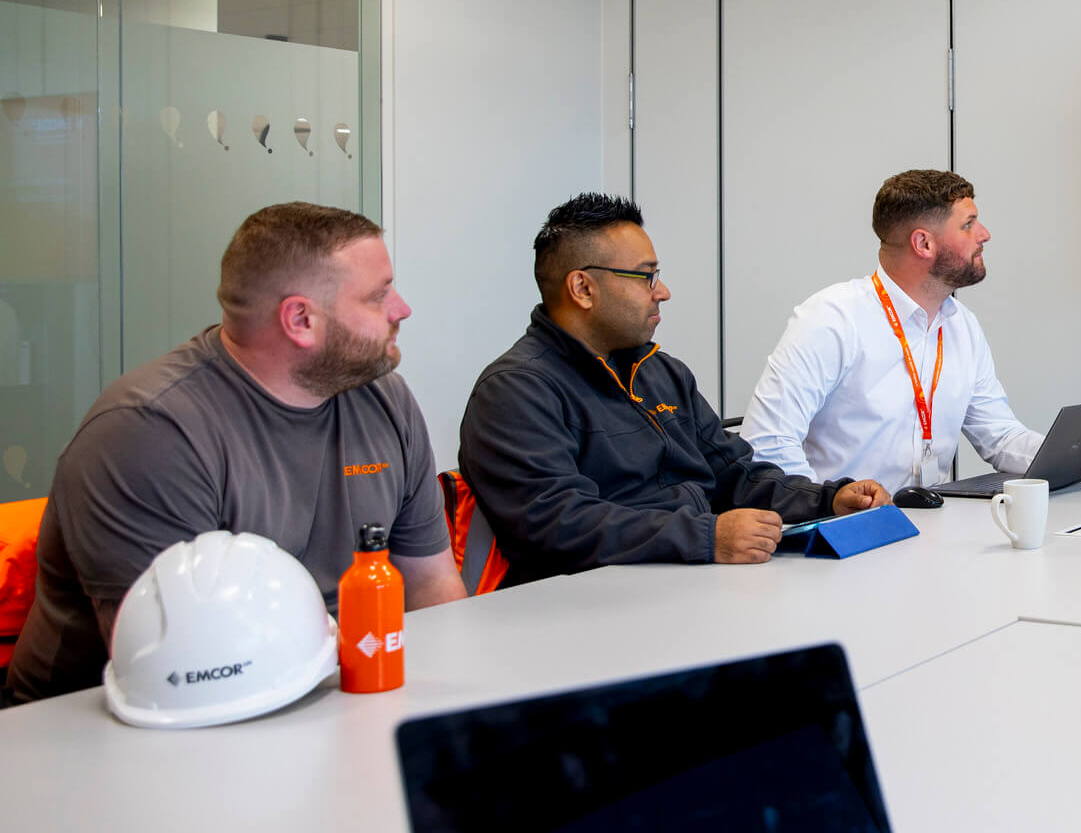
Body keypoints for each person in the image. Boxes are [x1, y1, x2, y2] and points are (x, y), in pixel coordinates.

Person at [7, 203, 464, 704]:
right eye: (378, 296)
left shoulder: (384, 399)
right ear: (300, 319)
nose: (402, 308)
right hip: (127, 725)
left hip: (321, 689)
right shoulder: (147, 432)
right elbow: (182, 667)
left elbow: (431, 586)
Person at [460, 194, 888, 587]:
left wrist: (827, 500)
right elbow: (557, 523)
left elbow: (733, 474)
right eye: (646, 277)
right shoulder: (516, 390)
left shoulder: (660, 372)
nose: (662, 292)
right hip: (588, 607)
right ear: (582, 288)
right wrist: (706, 536)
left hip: (686, 581)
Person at [742, 169, 1081, 493]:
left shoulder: (961, 325)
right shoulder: (832, 318)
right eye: (969, 224)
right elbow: (768, 445)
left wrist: (1074, 458)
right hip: (845, 537)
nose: (985, 234)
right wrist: (829, 511)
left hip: (927, 534)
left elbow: (999, 436)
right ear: (923, 243)